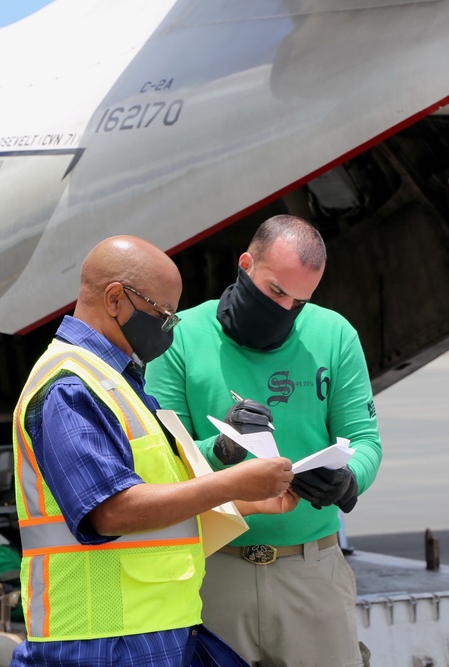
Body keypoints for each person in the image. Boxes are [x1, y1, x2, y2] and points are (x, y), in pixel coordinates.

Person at [9, 235, 299, 667]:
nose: (168, 327)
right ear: (114, 299)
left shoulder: (116, 379)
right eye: (161, 313)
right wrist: (230, 481)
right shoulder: (69, 386)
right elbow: (110, 510)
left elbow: (158, 497)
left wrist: (246, 500)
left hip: (150, 629)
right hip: (100, 640)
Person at [145, 215, 383, 667]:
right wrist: (223, 446)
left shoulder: (334, 335)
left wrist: (349, 479)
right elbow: (160, 458)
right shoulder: (179, 338)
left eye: (300, 301)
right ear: (246, 264)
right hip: (212, 569)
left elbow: (366, 439)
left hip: (312, 572)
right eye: (276, 291)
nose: (286, 309)